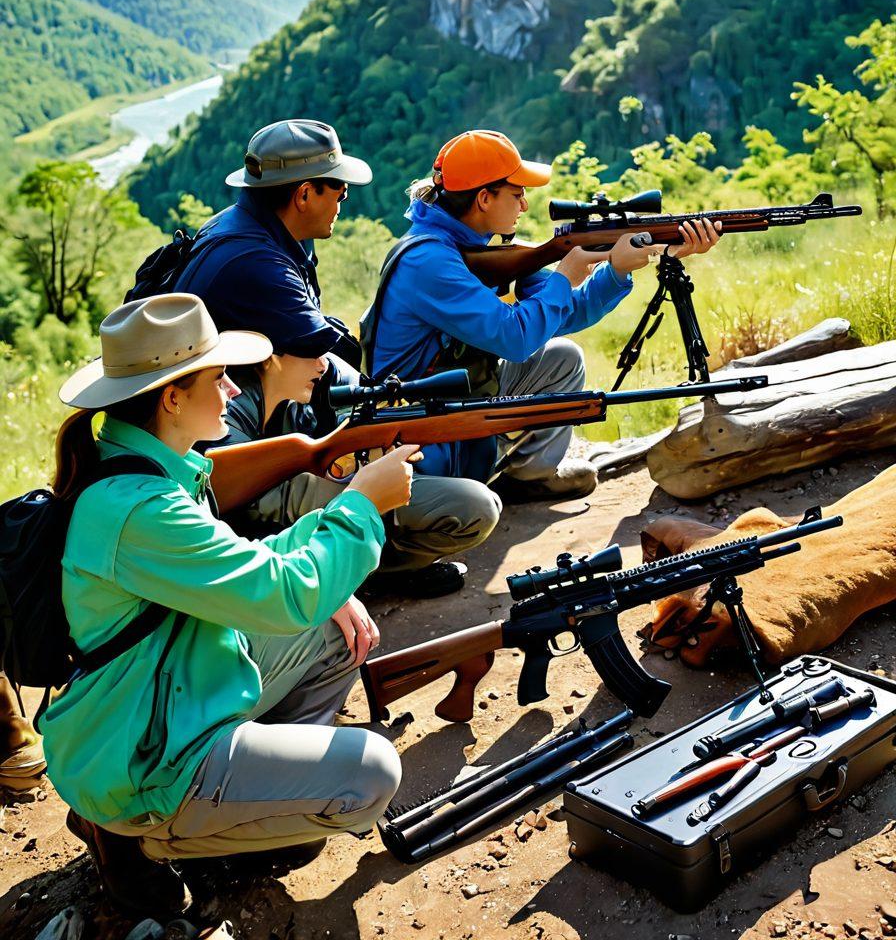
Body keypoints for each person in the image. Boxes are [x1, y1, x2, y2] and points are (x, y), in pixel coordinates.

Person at [41, 293, 412, 919]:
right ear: (172, 399)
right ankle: (143, 837)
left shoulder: (146, 470)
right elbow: (286, 595)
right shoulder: (139, 507)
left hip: (165, 695)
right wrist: (360, 506)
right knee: (372, 774)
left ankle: (253, 799)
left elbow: (239, 567)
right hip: (142, 756)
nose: (235, 390)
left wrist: (328, 542)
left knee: (335, 627)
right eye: (218, 377)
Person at [174, 119, 500, 596]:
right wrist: (363, 427)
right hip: (235, 445)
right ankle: (350, 575)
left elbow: (322, 353)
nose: (345, 200)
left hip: (260, 418)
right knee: (459, 500)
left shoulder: (264, 231)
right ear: (304, 194)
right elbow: (323, 353)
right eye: (340, 190)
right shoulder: (256, 262)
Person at [365, 129, 721, 500]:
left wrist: (617, 269)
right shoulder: (429, 260)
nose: (524, 206)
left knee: (562, 357)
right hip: (417, 427)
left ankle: (530, 477)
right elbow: (515, 339)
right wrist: (566, 274)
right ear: (484, 198)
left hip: (461, 391)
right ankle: (460, 482)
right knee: (472, 501)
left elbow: (567, 311)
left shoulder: (478, 245)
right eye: (517, 194)